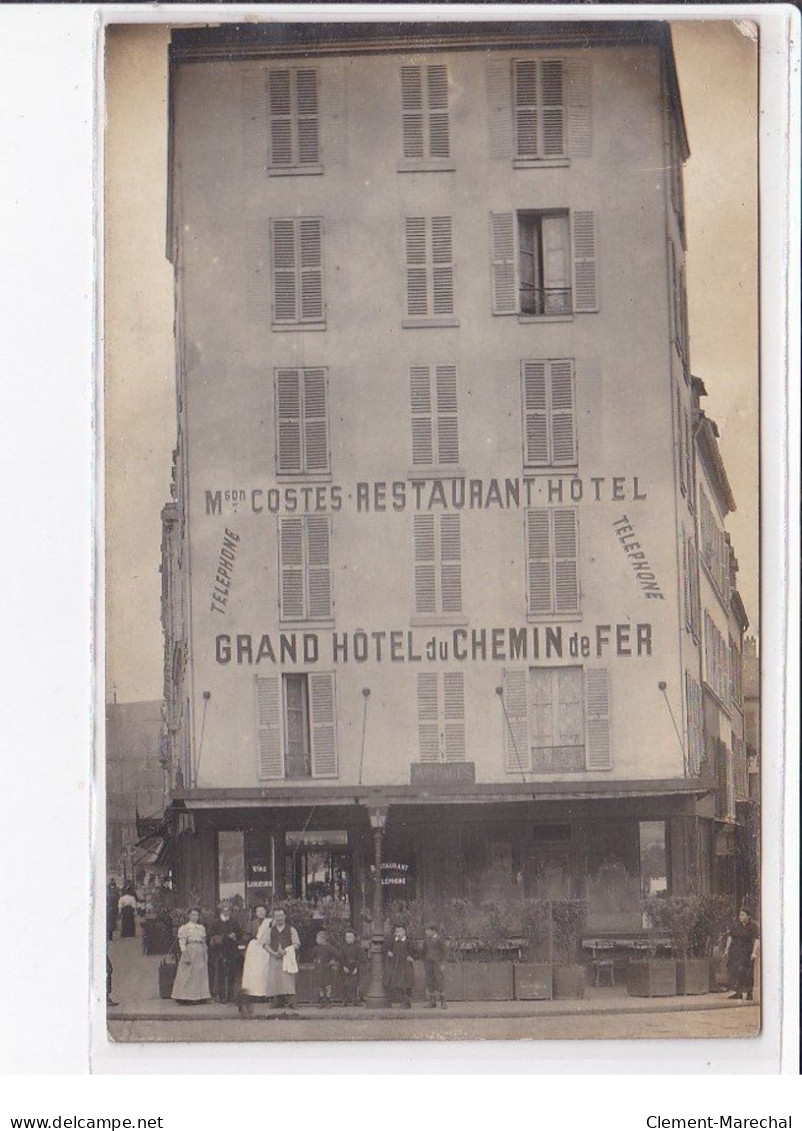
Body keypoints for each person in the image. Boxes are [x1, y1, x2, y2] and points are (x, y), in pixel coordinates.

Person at [171, 907, 211, 1004]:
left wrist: (205, 952)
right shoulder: (185, 928)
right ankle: (186, 997)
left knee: (200, 973)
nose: (195, 917)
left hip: (200, 950)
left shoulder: (201, 928)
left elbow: (204, 941)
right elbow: (182, 943)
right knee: (188, 974)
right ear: (189, 916)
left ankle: (200, 996)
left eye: (196, 915)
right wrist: (185, 955)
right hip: (190, 950)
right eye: (193, 915)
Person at [239, 904, 272, 1018]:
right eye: (258, 911)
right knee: (253, 972)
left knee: (264, 971)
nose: (261, 913)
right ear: (255, 912)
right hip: (254, 948)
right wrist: (243, 946)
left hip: (265, 948)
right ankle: (253, 994)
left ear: (266, 912)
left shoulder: (270, 922)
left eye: (263, 911)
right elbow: (246, 936)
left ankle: (264, 994)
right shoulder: (251, 923)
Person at [265, 908, 301, 1008]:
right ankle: (278, 1001)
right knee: (275, 979)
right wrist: (273, 953)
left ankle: (292, 1001)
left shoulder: (291, 929)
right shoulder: (270, 930)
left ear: (285, 917)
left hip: (287, 958)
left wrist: (286, 951)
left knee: (288, 979)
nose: (279, 918)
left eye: (281, 916)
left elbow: (297, 943)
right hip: (274, 958)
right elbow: (265, 944)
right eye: (276, 916)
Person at [208, 900, 242, 1005]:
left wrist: (235, 936)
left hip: (232, 950)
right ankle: (222, 996)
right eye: (224, 910)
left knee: (232, 972)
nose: (226, 912)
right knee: (221, 974)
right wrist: (221, 937)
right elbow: (210, 935)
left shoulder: (234, 921)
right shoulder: (215, 923)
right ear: (220, 911)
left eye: (228, 910)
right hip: (220, 951)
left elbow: (240, 933)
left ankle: (230, 995)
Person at [725, 907, 760, 1002]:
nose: (741, 917)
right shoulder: (736, 926)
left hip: (747, 953)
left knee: (748, 973)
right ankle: (738, 993)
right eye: (740, 915)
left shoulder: (753, 927)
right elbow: (730, 937)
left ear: (748, 916)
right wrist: (727, 949)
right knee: (737, 972)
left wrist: (754, 953)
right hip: (736, 953)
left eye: (743, 915)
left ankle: (749, 993)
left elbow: (757, 940)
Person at [385, 924, 415, 1009]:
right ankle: (404, 1000)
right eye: (397, 931)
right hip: (396, 964)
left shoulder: (408, 941)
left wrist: (411, 956)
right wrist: (388, 951)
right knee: (397, 984)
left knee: (406, 984)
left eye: (401, 931)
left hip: (406, 965)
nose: (399, 933)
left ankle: (406, 1002)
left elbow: (416, 950)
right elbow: (385, 947)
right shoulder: (393, 941)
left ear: (404, 932)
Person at [421, 924, 448, 1009]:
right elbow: (423, 951)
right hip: (428, 963)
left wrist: (443, 963)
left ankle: (443, 1001)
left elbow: (444, 952)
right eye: (426, 930)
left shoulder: (439, 940)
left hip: (437, 963)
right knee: (429, 981)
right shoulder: (426, 940)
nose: (426, 932)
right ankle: (432, 1002)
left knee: (439, 980)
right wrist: (424, 960)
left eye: (428, 930)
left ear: (434, 931)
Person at [312, 929, 338, 1008]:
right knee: (320, 985)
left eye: (318, 938)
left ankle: (328, 1000)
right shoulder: (316, 948)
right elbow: (312, 956)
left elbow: (337, 955)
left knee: (328, 985)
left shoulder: (330, 948)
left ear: (323, 938)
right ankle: (322, 1000)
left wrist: (333, 961)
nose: (316, 940)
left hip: (327, 969)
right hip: (319, 969)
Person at [339, 927, 363, 1007]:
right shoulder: (342, 947)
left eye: (350, 937)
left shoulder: (357, 947)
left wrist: (356, 968)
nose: (348, 939)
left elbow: (359, 958)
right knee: (345, 984)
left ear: (354, 938)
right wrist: (344, 966)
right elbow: (341, 957)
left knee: (355, 984)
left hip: (354, 966)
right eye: (347, 937)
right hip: (346, 966)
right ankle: (345, 1000)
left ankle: (355, 1000)